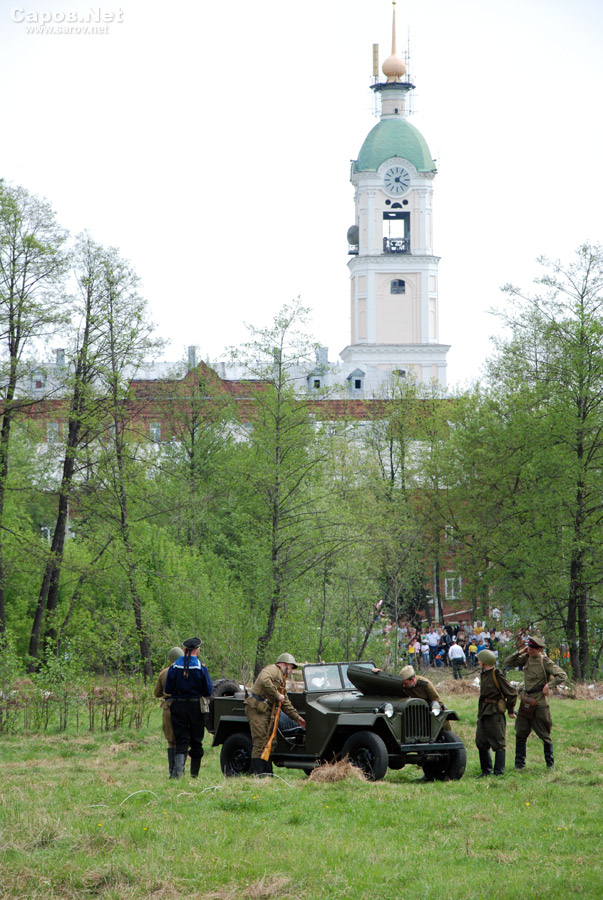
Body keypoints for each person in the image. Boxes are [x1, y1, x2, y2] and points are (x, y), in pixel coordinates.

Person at [505, 635, 568, 770]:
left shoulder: (544, 661)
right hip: (526, 699)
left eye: (533, 648)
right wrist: (520, 652)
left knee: (544, 733)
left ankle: (550, 765)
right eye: (529, 647)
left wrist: (549, 685)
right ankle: (519, 765)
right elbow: (508, 662)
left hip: (539, 701)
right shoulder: (526, 657)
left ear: (539, 649)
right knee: (521, 732)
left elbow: (562, 675)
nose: (530, 650)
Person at [244, 653, 307, 776]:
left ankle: (267, 773)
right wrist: (278, 696)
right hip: (256, 708)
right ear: (284, 664)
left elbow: (285, 702)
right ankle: (259, 773)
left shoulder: (281, 679)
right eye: (290, 668)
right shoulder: (273, 669)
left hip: (265, 710)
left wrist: (297, 718)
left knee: (269, 742)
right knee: (260, 741)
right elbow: (264, 680)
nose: (290, 671)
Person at [163, 637, 213, 779]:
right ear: (197, 651)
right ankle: (194, 775)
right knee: (196, 741)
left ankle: (178, 774)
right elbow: (208, 690)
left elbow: (168, 689)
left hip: (178, 706)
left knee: (181, 740)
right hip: (196, 707)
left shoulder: (174, 667)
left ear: (184, 650)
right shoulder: (201, 667)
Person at [475, 648, 517, 776]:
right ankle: (486, 771)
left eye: (480, 661)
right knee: (481, 742)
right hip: (484, 712)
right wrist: (479, 716)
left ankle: (499, 772)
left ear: (485, 662)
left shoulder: (496, 673)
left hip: (494, 712)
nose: (478, 663)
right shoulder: (484, 675)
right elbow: (482, 698)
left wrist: (510, 710)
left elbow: (512, 693)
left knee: (498, 743)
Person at [153, 645, 184, 776]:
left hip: (169, 707)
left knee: (171, 740)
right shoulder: (187, 671)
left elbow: (156, 693)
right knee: (182, 739)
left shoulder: (164, 672)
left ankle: (172, 771)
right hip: (184, 706)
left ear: (170, 659)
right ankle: (179, 771)